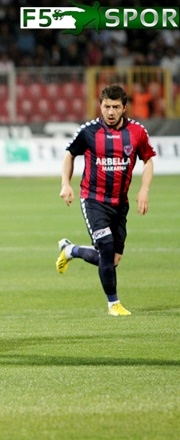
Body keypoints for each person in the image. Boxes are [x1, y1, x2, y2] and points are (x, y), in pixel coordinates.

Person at [56, 84, 156, 316]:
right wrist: (65, 184)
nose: (110, 112)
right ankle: (114, 304)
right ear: (100, 106)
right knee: (107, 249)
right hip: (93, 200)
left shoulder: (137, 132)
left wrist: (144, 190)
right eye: (107, 106)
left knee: (113, 259)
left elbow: (148, 160)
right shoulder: (88, 131)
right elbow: (70, 155)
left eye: (116, 107)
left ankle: (71, 250)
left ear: (124, 108)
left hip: (120, 204)